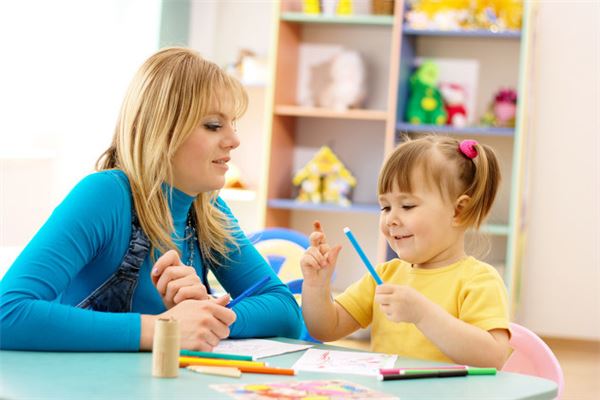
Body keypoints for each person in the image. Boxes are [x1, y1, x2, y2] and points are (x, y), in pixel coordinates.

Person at [0, 47, 302, 351]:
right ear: (163, 130)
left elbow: (286, 311)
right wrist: (164, 329)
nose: (234, 140)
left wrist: (205, 316)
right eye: (213, 125)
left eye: (232, 124)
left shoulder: (207, 210)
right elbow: (7, 312)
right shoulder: (106, 195)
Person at [300, 136, 510, 368]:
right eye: (385, 207)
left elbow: (493, 358)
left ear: (458, 211)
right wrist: (316, 287)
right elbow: (326, 328)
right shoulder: (384, 275)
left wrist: (423, 315)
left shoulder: (479, 281)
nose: (391, 219)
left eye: (407, 206)